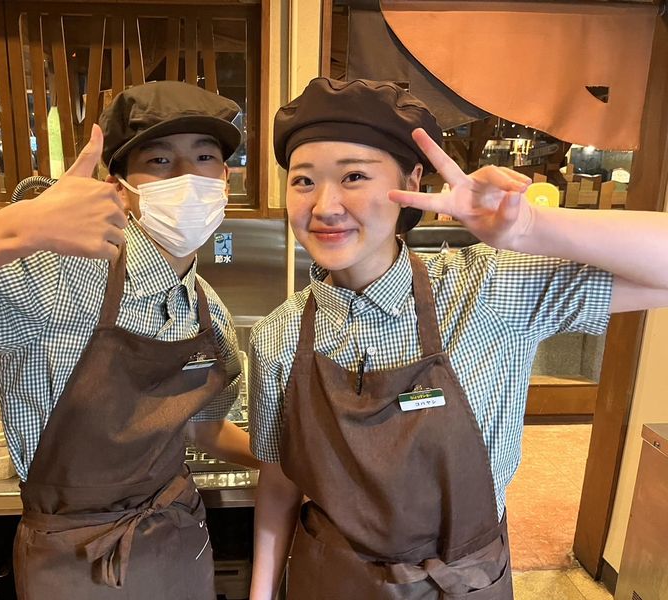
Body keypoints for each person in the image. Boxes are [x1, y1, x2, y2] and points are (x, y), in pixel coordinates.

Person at [247, 77, 668, 599]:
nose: (325, 206)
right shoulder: (278, 335)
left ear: (413, 180)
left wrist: (528, 229)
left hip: (464, 582)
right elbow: (280, 482)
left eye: (354, 176)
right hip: (332, 579)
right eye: (304, 181)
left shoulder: (487, 288)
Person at [0, 80, 256, 598]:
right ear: (120, 187)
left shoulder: (209, 311)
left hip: (177, 538)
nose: (188, 177)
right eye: (160, 161)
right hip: (72, 557)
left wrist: (301, 466)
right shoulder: (55, 275)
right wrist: (19, 228)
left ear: (225, 180)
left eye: (205, 157)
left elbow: (202, 430)